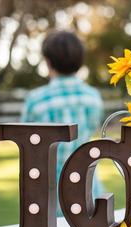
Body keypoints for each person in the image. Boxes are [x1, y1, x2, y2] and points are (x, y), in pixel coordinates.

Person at [21, 31, 104, 214]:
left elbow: (26, 144)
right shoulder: (93, 97)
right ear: (80, 61)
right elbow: (91, 127)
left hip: (48, 193)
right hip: (88, 187)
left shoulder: (36, 100)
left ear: (47, 61)